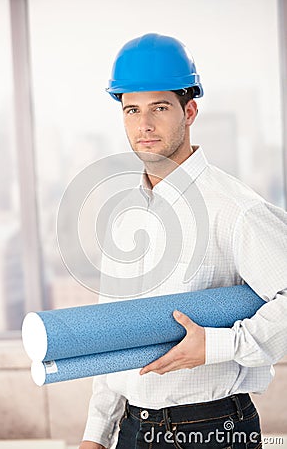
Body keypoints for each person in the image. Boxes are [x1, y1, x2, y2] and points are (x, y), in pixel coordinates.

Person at [79, 33, 287, 449]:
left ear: (189, 111)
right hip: (132, 429)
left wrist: (217, 344)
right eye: (131, 110)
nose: (145, 125)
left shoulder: (235, 208)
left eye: (159, 107)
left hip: (210, 428)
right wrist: (96, 434)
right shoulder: (124, 217)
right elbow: (115, 331)